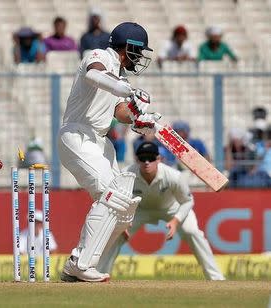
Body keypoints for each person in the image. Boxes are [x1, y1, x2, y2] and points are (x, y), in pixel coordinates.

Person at [58, 22, 157, 282]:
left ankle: (81, 266)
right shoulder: (99, 56)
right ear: (129, 47)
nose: (141, 57)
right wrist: (129, 91)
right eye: (139, 51)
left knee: (124, 207)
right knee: (111, 196)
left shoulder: (121, 78)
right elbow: (94, 76)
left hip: (100, 141)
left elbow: (119, 112)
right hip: (77, 135)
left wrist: (139, 120)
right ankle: (79, 263)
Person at [95, 142, 225, 280]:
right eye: (142, 158)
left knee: (192, 232)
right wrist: (121, 222)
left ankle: (216, 278)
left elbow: (187, 201)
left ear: (159, 159)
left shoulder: (173, 176)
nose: (146, 162)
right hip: (140, 210)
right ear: (137, 159)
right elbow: (118, 199)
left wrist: (175, 221)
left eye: (151, 158)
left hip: (171, 209)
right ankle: (100, 275)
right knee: (116, 234)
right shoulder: (126, 174)